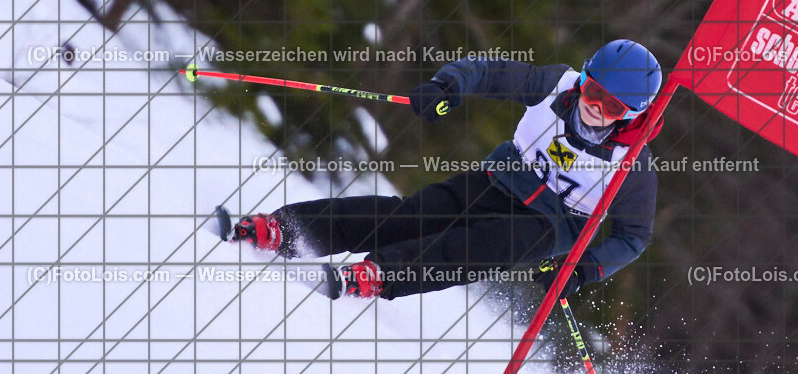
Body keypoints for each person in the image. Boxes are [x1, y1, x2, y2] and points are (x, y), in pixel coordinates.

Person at [233, 39, 664, 301]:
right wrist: (449, 86)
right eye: (592, 90)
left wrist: (584, 268)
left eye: (611, 106)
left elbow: (633, 237)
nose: (593, 106)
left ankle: (382, 274)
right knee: (414, 215)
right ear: (584, 77)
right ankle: (287, 230)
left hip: (551, 224)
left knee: (482, 246)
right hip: (498, 179)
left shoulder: (633, 166)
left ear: (631, 114)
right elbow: (491, 72)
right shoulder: (555, 85)